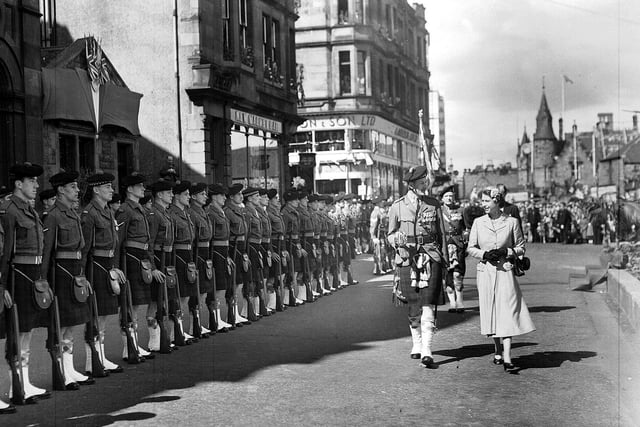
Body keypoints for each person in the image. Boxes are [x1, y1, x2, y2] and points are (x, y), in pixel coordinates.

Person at [466, 187, 535, 371]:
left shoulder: (512, 222)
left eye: (486, 201)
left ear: (497, 201)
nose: (483, 205)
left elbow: (521, 246)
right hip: (486, 272)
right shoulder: (478, 223)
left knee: (507, 311)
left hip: (505, 271)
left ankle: (507, 355)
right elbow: (470, 247)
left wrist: (508, 251)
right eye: (482, 201)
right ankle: (497, 349)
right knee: (492, 312)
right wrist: (484, 254)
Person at [0, 163, 52, 405]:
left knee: (27, 329)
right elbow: (5, 253)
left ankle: (24, 381)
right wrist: (2, 287)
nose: (36, 185)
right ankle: (14, 385)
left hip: (32, 274)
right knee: (16, 330)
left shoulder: (29, 210)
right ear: (18, 184)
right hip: (17, 275)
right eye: (31, 181)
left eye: (36, 181)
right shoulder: (9, 210)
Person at [388, 165, 449, 369]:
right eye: (422, 182)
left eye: (426, 181)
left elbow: (442, 235)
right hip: (407, 257)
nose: (426, 184)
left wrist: (446, 263)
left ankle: (427, 349)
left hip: (430, 256)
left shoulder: (434, 204)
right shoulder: (397, 206)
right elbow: (389, 233)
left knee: (428, 302)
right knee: (413, 301)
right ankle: (417, 343)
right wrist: (396, 239)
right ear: (411, 185)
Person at [42, 171, 95, 388]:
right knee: (61, 323)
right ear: (61, 190)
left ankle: (69, 367)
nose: (77, 191)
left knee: (71, 324)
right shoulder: (53, 215)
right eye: (73, 187)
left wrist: (81, 274)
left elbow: (81, 249)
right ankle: (61, 370)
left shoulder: (73, 214)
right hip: (60, 273)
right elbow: (47, 252)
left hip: (74, 272)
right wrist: (43, 281)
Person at [80, 173, 126, 376]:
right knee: (96, 315)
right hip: (95, 266)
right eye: (107, 187)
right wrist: (82, 275)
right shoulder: (90, 213)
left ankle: (100, 355)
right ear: (96, 190)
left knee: (104, 314)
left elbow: (114, 244)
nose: (111, 190)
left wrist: (115, 266)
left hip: (107, 264)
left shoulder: (107, 211)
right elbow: (85, 249)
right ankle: (92, 360)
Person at [115, 173, 156, 361]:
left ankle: (134, 342)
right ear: (129, 189)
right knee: (129, 303)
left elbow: (147, 240)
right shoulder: (125, 210)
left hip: (141, 257)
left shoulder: (139, 209)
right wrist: (116, 266)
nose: (143, 189)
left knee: (138, 303)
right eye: (139, 186)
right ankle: (128, 347)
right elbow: (119, 241)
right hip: (129, 258)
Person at [168, 180, 199, 343]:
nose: (188, 197)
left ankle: (179, 329)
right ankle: (175, 331)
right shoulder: (172, 213)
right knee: (178, 294)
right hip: (177, 254)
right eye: (185, 194)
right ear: (177, 196)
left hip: (188, 253)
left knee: (185, 293)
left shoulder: (186, 213)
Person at [206, 183, 234, 331]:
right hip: (215, 250)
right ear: (214, 196)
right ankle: (214, 318)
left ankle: (217, 317)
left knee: (222, 284)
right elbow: (210, 237)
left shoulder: (220, 211)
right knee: (216, 285)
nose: (224, 198)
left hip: (223, 249)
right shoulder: (211, 212)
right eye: (222, 195)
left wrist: (227, 254)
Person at [188, 182, 214, 337]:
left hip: (205, 250)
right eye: (202, 194)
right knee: (196, 289)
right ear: (193, 196)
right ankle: (193, 324)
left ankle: (197, 322)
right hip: (197, 251)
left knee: (204, 288)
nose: (205, 196)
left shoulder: (203, 212)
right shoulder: (192, 213)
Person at [440, 185, 466, 313]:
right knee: (447, 275)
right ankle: (452, 303)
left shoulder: (460, 210)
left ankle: (460, 302)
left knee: (458, 274)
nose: (449, 198)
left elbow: (466, 228)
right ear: (442, 198)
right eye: (446, 196)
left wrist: (466, 241)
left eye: (451, 196)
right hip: (444, 246)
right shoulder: (438, 212)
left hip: (458, 245)